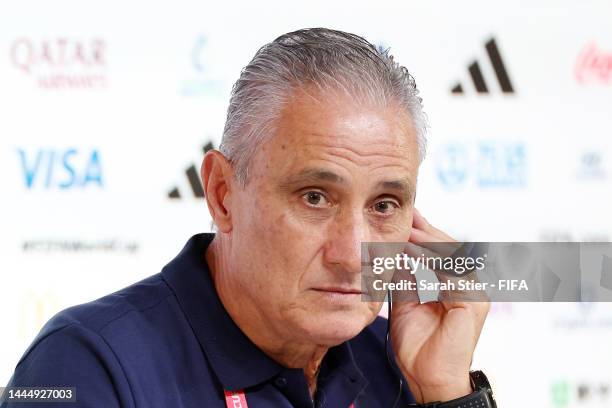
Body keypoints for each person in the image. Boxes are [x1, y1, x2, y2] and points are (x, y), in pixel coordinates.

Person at [1, 28, 493, 407]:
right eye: (315, 198)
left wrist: (447, 394)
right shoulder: (87, 364)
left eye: (384, 206)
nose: (352, 256)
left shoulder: (399, 363)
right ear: (221, 194)